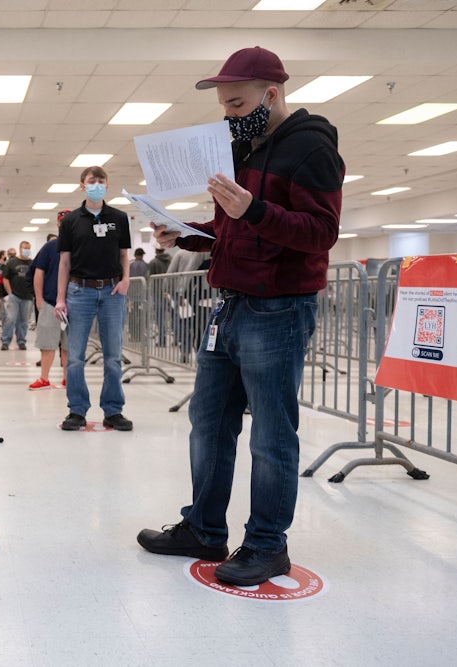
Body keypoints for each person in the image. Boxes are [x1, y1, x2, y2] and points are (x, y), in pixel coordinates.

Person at [136, 46, 343, 586]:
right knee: (208, 423)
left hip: (277, 310)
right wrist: (186, 234)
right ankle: (204, 528)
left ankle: (267, 545)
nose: (228, 113)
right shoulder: (244, 148)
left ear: (270, 94)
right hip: (227, 306)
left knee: (271, 434)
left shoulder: (312, 146)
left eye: (236, 102)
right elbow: (236, 228)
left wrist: (249, 208)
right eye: (224, 105)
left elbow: (321, 232)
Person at [54, 166, 132, 432]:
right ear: (82, 186)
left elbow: (124, 255)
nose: (96, 184)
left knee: (113, 356)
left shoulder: (119, 218)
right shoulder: (70, 221)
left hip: (111, 292)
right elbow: (64, 263)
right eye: (91, 181)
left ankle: (113, 410)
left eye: (101, 181)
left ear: (107, 185)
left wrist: (125, 280)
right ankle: (77, 410)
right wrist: (60, 299)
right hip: (79, 291)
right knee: (75, 356)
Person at [28, 210, 70, 390]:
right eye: (63, 222)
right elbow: (39, 273)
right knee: (47, 343)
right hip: (50, 302)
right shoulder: (50, 247)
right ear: (58, 224)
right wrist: (39, 300)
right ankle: (44, 378)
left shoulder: (82, 246)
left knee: (70, 345)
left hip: (75, 304)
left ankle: (69, 378)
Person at [0, 240, 34, 351]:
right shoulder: (11, 262)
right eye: (25, 248)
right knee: (10, 319)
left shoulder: (33, 263)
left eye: (28, 249)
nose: (27, 251)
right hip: (14, 296)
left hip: (28, 296)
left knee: (24, 320)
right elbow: (5, 278)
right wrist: (10, 293)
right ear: (20, 249)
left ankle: (21, 341)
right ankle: (5, 341)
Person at [146, 246, 174, 346]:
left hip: (158, 294)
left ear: (155, 251)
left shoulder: (153, 262)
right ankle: (178, 339)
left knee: (159, 318)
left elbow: (149, 277)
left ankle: (162, 340)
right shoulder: (171, 260)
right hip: (171, 293)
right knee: (175, 316)